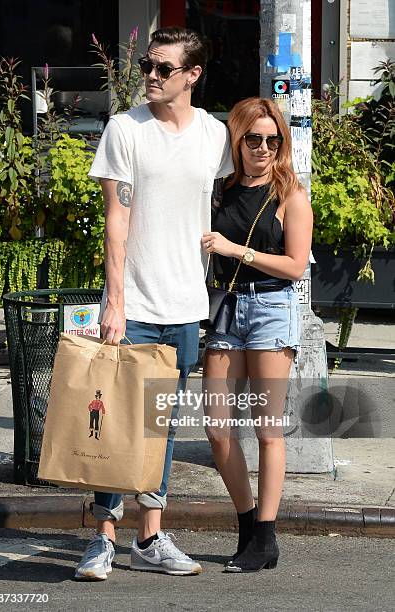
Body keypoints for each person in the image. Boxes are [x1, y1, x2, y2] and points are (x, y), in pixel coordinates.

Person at [74, 26, 233, 580]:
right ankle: (103, 538)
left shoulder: (215, 135)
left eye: (163, 68)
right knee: (115, 423)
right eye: (147, 65)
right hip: (133, 302)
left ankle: (151, 536)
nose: (150, 76)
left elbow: (230, 197)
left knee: (158, 425)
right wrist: (114, 304)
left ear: (192, 75)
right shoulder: (125, 128)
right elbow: (115, 222)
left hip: (186, 302)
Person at [201, 97, 313, 573]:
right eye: (254, 138)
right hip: (225, 308)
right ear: (238, 139)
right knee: (217, 426)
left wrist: (236, 251)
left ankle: (266, 536)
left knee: (267, 430)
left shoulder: (292, 195)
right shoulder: (219, 191)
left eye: (273, 139)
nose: (264, 147)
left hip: (271, 307)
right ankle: (248, 523)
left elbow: (293, 266)